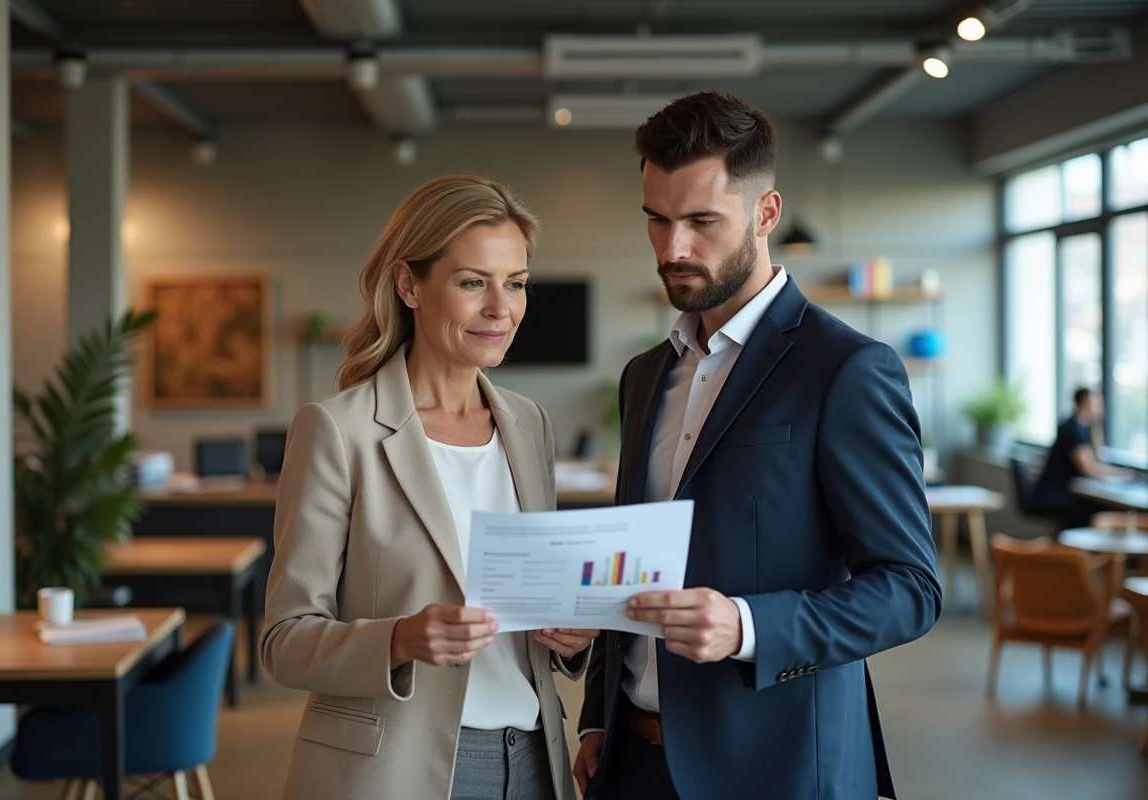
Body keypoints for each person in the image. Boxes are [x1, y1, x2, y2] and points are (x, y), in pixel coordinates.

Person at [573, 92, 942, 800]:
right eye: (656, 219)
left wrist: (747, 626)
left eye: (701, 221)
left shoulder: (846, 369)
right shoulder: (644, 376)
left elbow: (910, 590)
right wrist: (598, 718)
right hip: (631, 764)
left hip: (779, 768)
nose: (672, 248)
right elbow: (631, 561)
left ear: (766, 213)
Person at [260, 175, 597, 800]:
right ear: (409, 284)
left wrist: (571, 640)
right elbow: (284, 641)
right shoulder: (338, 430)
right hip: (396, 769)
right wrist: (400, 638)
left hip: (532, 758)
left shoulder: (528, 425)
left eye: (516, 284)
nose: (502, 308)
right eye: (473, 283)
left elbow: (531, 609)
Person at [1033, 387, 1132, 528]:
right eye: (1096, 403)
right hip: (1054, 493)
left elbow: (1098, 455)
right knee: (1096, 510)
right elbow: (1089, 468)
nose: (1100, 408)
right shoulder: (1073, 429)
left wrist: (1097, 423)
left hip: (1066, 490)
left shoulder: (1082, 427)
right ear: (1084, 402)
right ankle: (1075, 547)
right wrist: (1122, 474)